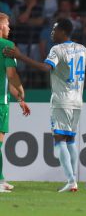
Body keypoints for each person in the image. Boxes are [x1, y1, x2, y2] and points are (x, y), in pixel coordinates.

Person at [4, 18, 86, 192]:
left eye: (55, 30)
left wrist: (19, 56)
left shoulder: (57, 49)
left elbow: (45, 68)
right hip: (77, 101)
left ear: (63, 31)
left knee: (59, 139)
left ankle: (71, 181)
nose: (52, 33)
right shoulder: (82, 48)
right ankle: (73, 180)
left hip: (61, 100)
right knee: (70, 139)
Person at [0, 13, 31, 193]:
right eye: (7, 24)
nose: (9, 28)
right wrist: (21, 92)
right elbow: (11, 75)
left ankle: (1, 179)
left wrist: (19, 99)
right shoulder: (7, 47)